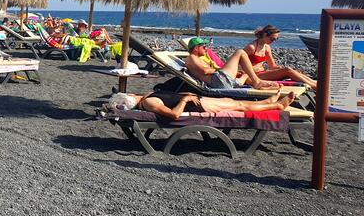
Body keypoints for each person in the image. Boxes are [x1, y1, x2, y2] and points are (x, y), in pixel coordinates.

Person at [106, 90, 296, 120]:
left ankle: (267, 101)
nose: (132, 92)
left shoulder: (147, 97)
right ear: (129, 99)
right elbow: (174, 115)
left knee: (232, 101)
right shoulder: (148, 103)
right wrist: (185, 99)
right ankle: (277, 107)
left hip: (199, 102)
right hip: (199, 107)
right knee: (239, 106)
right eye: (130, 93)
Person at [184, 37, 280, 90]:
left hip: (224, 83)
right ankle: (257, 82)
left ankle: (258, 85)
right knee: (240, 52)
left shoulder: (195, 58)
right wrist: (221, 69)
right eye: (204, 47)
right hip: (219, 81)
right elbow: (205, 71)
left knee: (246, 74)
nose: (206, 48)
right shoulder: (191, 57)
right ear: (196, 48)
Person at [244, 25, 317, 89]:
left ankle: (314, 83)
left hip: (263, 73)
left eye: (276, 39)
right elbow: (239, 62)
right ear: (265, 35)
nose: (273, 41)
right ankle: (314, 86)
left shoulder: (266, 47)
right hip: (254, 75)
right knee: (287, 70)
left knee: (290, 70)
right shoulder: (251, 47)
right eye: (272, 39)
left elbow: (272, 66)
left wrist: (287, 70)